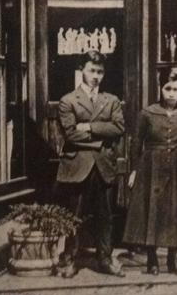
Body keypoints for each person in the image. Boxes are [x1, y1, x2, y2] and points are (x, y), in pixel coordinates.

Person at [123, 67, 177, 276]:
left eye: (176, 89)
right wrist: (133, 170)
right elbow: (136, 143)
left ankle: (171, 258)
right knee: (153, 212)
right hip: (151, 169)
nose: (171, 93)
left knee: (174, 213)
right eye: (167, 88)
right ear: (161, 88)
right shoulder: (147, 113)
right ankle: (151, 260)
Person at [54, 50, 126, 278]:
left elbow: (119, 128)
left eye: (100, 71)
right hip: (78, 167)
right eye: (91, 70)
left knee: (106, 217)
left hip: (104, 166)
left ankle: (105, 259)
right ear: (81, 70)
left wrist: (89, 127)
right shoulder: (67, 101)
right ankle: (70, 260)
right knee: (73, 215)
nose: (96, 76)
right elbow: (70, 135)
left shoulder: (111, 100)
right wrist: (100, 140)